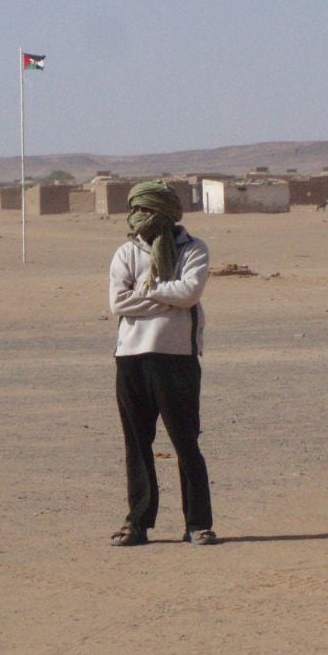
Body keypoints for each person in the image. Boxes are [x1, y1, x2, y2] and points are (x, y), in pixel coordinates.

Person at [108, 180, 216, 546]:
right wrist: (166, 294)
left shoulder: (193, 249)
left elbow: (189, 294)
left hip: (177, 359)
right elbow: (119, 304)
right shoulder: (125, 253)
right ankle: (137, 524)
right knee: (137, 445)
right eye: (136, 210)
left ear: (165, 215)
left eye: (147, 211)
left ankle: (198, 524)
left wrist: (148, 289)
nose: (140, 218)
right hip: (131, 359)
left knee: (186, 444)